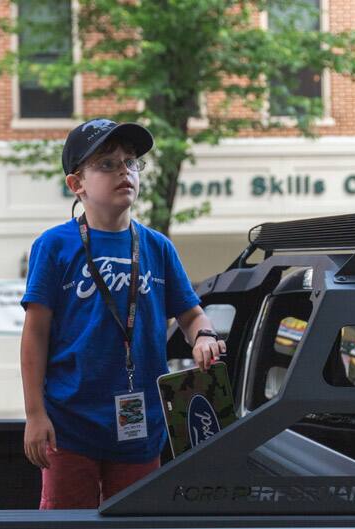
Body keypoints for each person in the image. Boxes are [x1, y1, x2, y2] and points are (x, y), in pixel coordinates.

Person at [20, 118, 228, 509]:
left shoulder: (157, 246)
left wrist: (204, 337)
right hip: (68, 424)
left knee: (136, 519)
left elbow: (191, 316)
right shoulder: (53, 246)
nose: (124, 171)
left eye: (130, 162)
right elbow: (34, 335)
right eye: (107, 164)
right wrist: (34, 414)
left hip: (141, 424)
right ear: (76, 184)